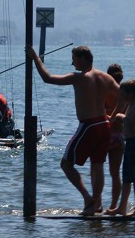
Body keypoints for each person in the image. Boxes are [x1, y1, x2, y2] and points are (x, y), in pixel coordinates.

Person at [27, 44, 119, 216]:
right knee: (97, 165)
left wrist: (35, 58)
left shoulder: (80, 78)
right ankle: (96, 204)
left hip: (89, 125)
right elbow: (124, 96)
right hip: (104, 125)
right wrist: (112, 117)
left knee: (65, 164)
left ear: (83, 58)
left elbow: (47, 78)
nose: (72, 64)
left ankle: (88, 198)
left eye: (74, 60)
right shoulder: (105, 77)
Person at [107, 79, 135, 217]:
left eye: (123, 93)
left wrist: (121, 117)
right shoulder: (130, 106)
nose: (121, 95)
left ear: (130, 93)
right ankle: (121, 207)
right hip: (130, 142)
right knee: (126, 177)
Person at [104, 63, 125, 213]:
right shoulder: (125, 94)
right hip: (119, 136)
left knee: (96, 168)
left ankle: (97, 203)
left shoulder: (104, 92)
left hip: (105, 134)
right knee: (115, 173)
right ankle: (113, 205)